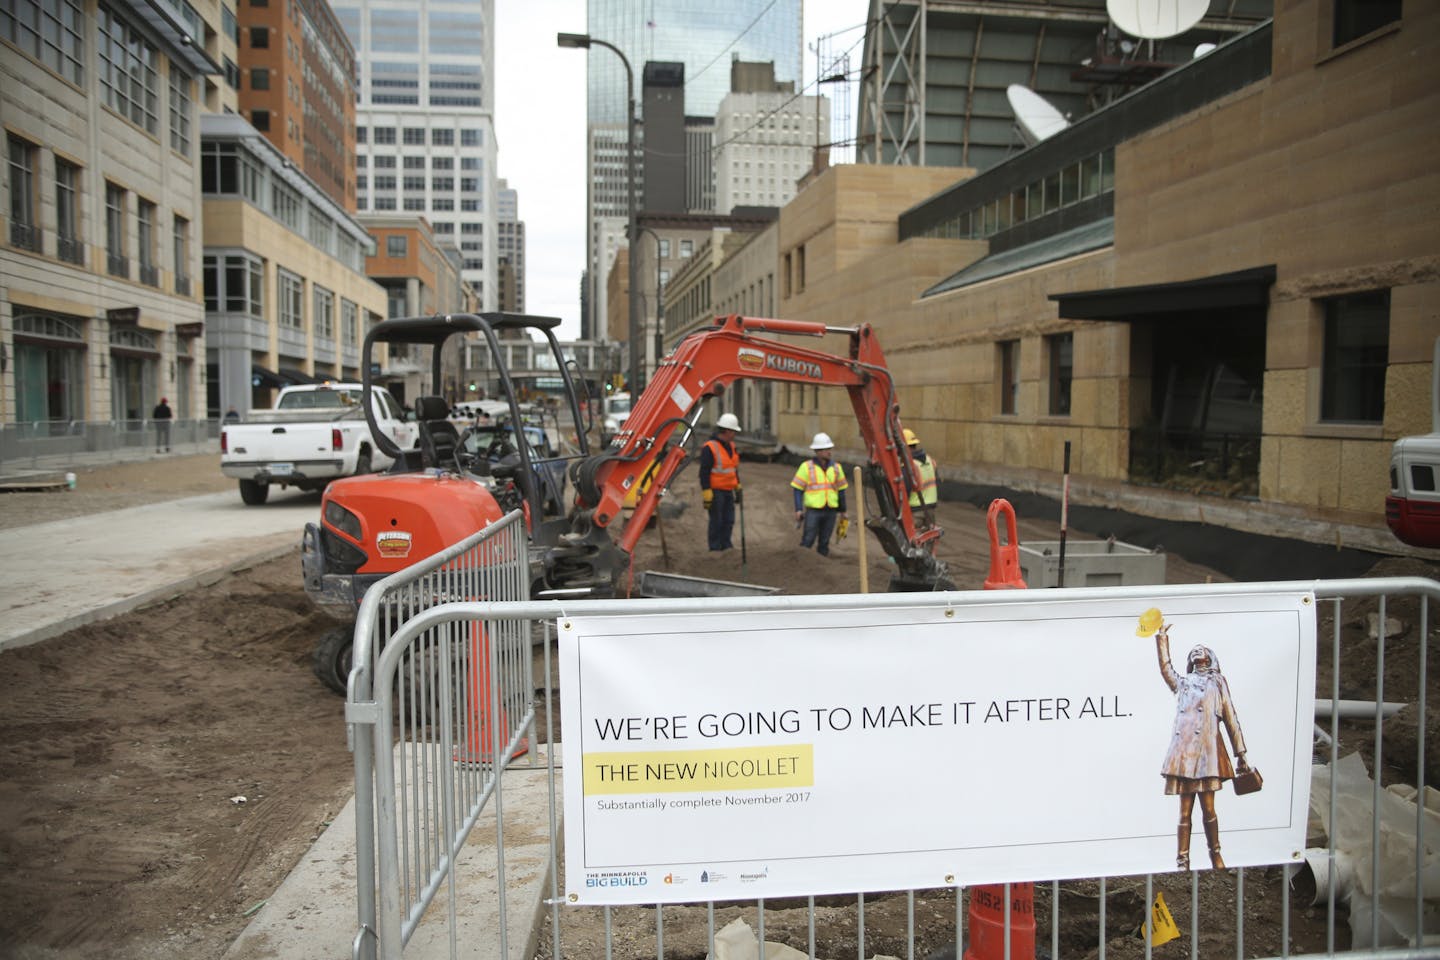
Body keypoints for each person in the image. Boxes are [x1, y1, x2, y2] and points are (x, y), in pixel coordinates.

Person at [1139, 608, 1250, 870]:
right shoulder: (1184, 683)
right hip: (1184, 755)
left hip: (1209, 754)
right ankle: (1182, 859)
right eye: (1194, 654)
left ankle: (1216, 854)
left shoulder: (1218, 682)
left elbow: (1231, 717)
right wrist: (1162, 640)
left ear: (1210, 658)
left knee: (1209, 809)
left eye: (1202, 653)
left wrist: (1241, 753)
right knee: (1184, 810)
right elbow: (1167, 670)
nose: (1198, 654)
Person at [791, 432, 848, 557]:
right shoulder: (806, 467)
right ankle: (801, 565)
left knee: (824, 542)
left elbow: (841, 491)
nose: (829, 451)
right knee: (808, 540)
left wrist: (843, 511)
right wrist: (799, 509)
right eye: (826, 449)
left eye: (829, 448)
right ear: (818, 451)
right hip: (813, 511)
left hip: (831, 511)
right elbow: (797, 489)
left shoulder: (837, 468)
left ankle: (821, 568)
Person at [699, 412, 742, 551]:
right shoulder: (710, 447)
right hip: (716, 490)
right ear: (727, 431)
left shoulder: (732, 446)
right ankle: (715, 547)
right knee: (717, 520)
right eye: (733, 431)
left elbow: (733, 468)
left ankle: (726, 545)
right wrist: (706, 491)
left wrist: (738, 486)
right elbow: (704, 472)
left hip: (728, 489)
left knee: (729, 520)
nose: (734, 434)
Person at [903, 428, 938, 530]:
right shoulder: (929, 460)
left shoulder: (909, 465)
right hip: (930, 509)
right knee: (928, 540)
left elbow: (905, 488)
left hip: (915, 511)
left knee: (911, 540)